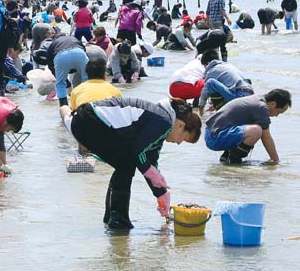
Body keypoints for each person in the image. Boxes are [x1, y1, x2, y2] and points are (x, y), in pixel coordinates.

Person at [65, 97, 202, 231]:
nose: (178, 143)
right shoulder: (163, 122)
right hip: (89, 120)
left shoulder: (160, 125)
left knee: (125, 163)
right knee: (126, 163)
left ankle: (112, 217)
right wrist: (152, 173)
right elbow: (137, 152)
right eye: (183, 138)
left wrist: (161, 193)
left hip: (85, 120)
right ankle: (118, 221)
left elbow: (149, 162)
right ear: (180, 125)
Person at [203, 89, 290, 164]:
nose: (277, 115)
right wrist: (276, 161)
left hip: (212, 132)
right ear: (273, 104)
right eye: (279, 112)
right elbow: (266, 137)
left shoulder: (258, 99)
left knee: (251, 129)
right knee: (256, 131)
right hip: (214, 137)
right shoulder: (262, 108)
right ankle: (233, 160)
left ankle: (226, 157)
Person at [41, 33, 90, 120]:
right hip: (79, 53)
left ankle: (65, 111)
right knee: (86, 80)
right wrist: (78, 69)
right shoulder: (73, 38)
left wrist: (61, 78)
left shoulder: (54, 43)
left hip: (61, 56)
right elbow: (84, 50)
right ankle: (86, 106)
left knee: (60, 84)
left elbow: (50, 64)